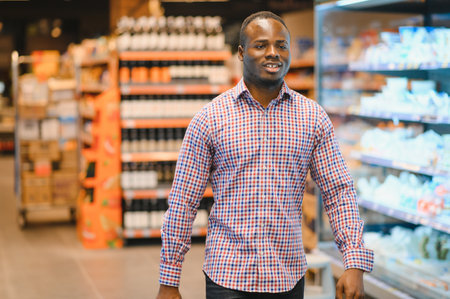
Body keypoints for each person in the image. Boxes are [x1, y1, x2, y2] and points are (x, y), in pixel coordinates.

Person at [157, 11, 373, 299]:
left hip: (287, 277)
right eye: (261, 45)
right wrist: (169, 280)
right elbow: (183, 201)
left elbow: (338, 191)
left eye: (281, 45)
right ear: (241, 53)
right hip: (227, 276)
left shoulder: (312, 118)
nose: (273, 53)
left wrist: (354, 261)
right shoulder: (210, 119)